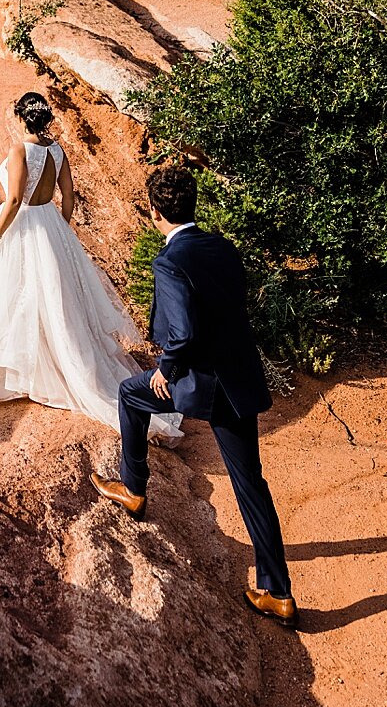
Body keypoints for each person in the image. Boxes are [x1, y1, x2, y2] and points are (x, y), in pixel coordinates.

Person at [91, 166, 297, 625]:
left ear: (154, 210)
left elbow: (181, 332)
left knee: (130, 393)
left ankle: (133, 488)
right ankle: (278, 593)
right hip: (238, 378)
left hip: (199, 382)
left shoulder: (168, 261)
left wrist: (167, 368)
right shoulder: (222, 247)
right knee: (251, 485)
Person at [0, 92, 181, 444]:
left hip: (24, 226)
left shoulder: (20, 150)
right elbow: (69, 195)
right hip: (50, 223)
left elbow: (15, 199)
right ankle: (45, 367)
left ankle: (33, 374)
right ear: (45, 117)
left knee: (18, 296)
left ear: (21, 117)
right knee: (52, 299)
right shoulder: (57, 151)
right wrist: (60, 229)